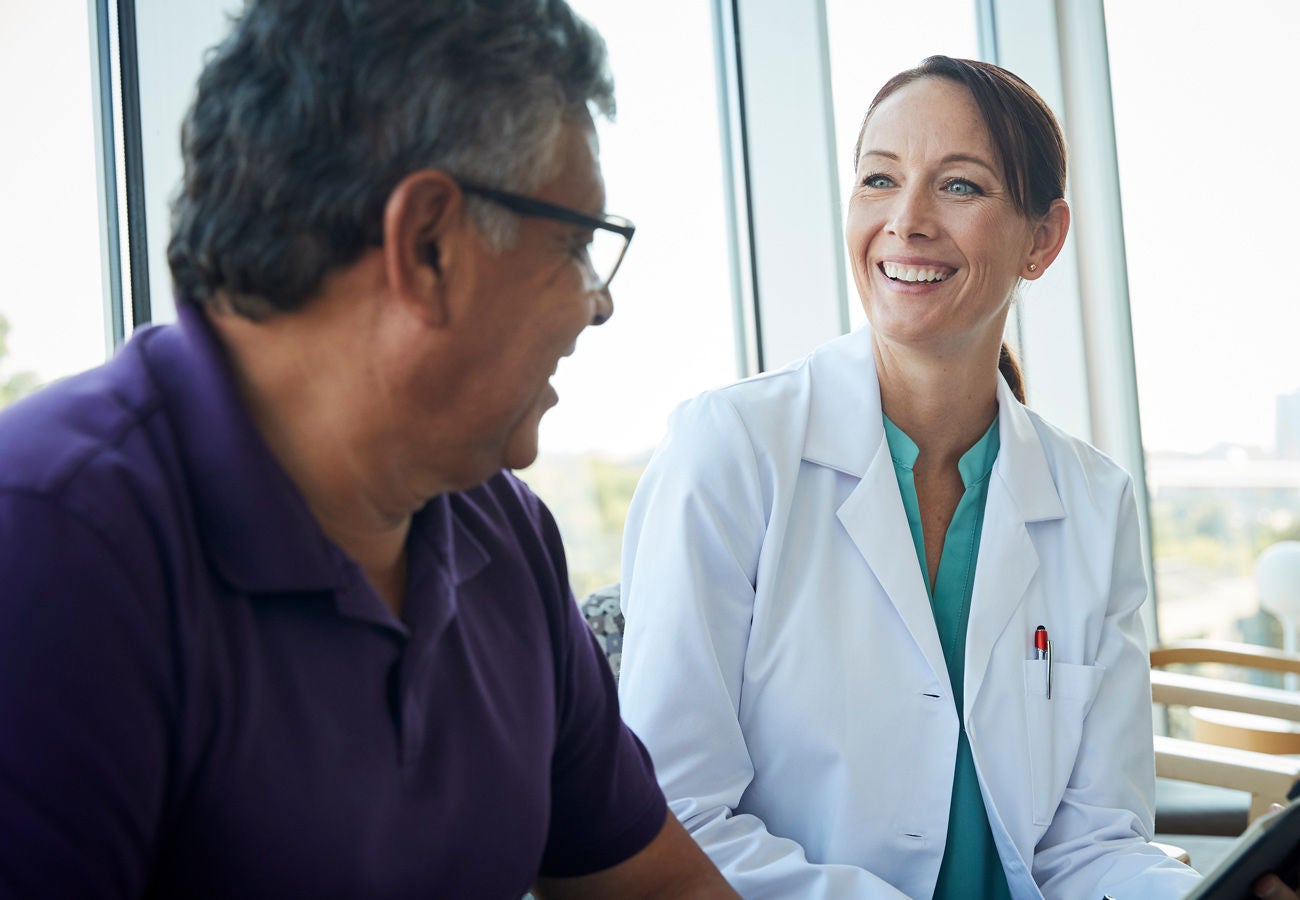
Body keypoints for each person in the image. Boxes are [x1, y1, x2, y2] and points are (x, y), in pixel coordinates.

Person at [0, 1, 738, 897]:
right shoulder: (48, 544)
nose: (599, 302)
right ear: (426, 243)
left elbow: (664, 888)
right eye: (578, 244)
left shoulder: (505, 536)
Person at [617, 55, 1204, 899]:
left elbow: (1092, 842)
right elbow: (671, 819)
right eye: (879, 179)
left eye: (959, 187)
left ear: (1042, 239)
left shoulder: (1094, 502)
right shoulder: (730, 451)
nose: (907, 219)